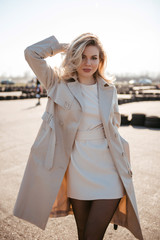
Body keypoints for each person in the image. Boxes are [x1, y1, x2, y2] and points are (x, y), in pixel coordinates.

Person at [13, 33, 143, 240]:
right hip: (77, 169)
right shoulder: (58, 84)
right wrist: (64, 47)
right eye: (82, 56)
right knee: (83, 234)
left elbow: (114, 128)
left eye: (93, 57)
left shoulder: (110, 90)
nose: (88, 63)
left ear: (101, 61)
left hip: (109, 170)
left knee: (92, 235)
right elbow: (31, 53)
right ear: (74, 56)